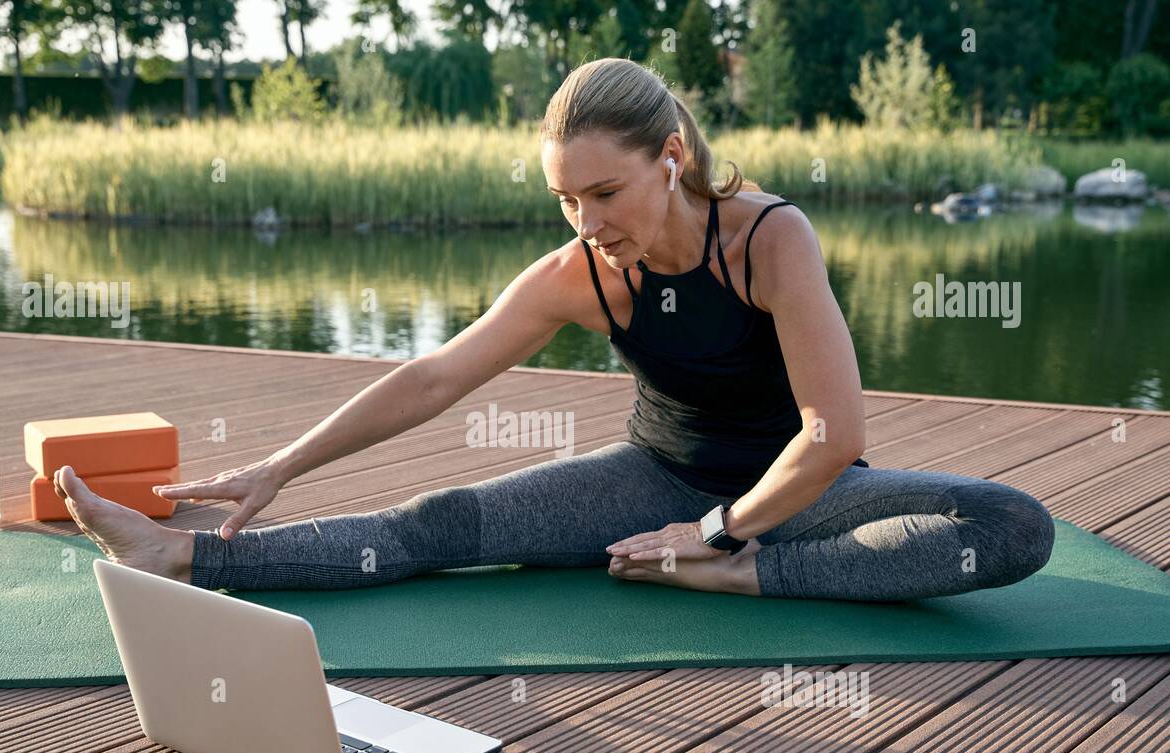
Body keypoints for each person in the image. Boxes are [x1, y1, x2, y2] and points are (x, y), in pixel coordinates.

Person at [54, 57, 1054, 602]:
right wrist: (280, 465)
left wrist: (717, 535)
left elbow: (830, 436)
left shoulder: (769, 239)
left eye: (605, 191)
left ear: (670, 157)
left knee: (1010, 526)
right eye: (564, 198)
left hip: (792, 496)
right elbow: (436, 375)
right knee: (431, 524)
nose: (586, 222)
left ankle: (742, 577)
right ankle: (179, 559)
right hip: (648, 475)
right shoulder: (582, 272)